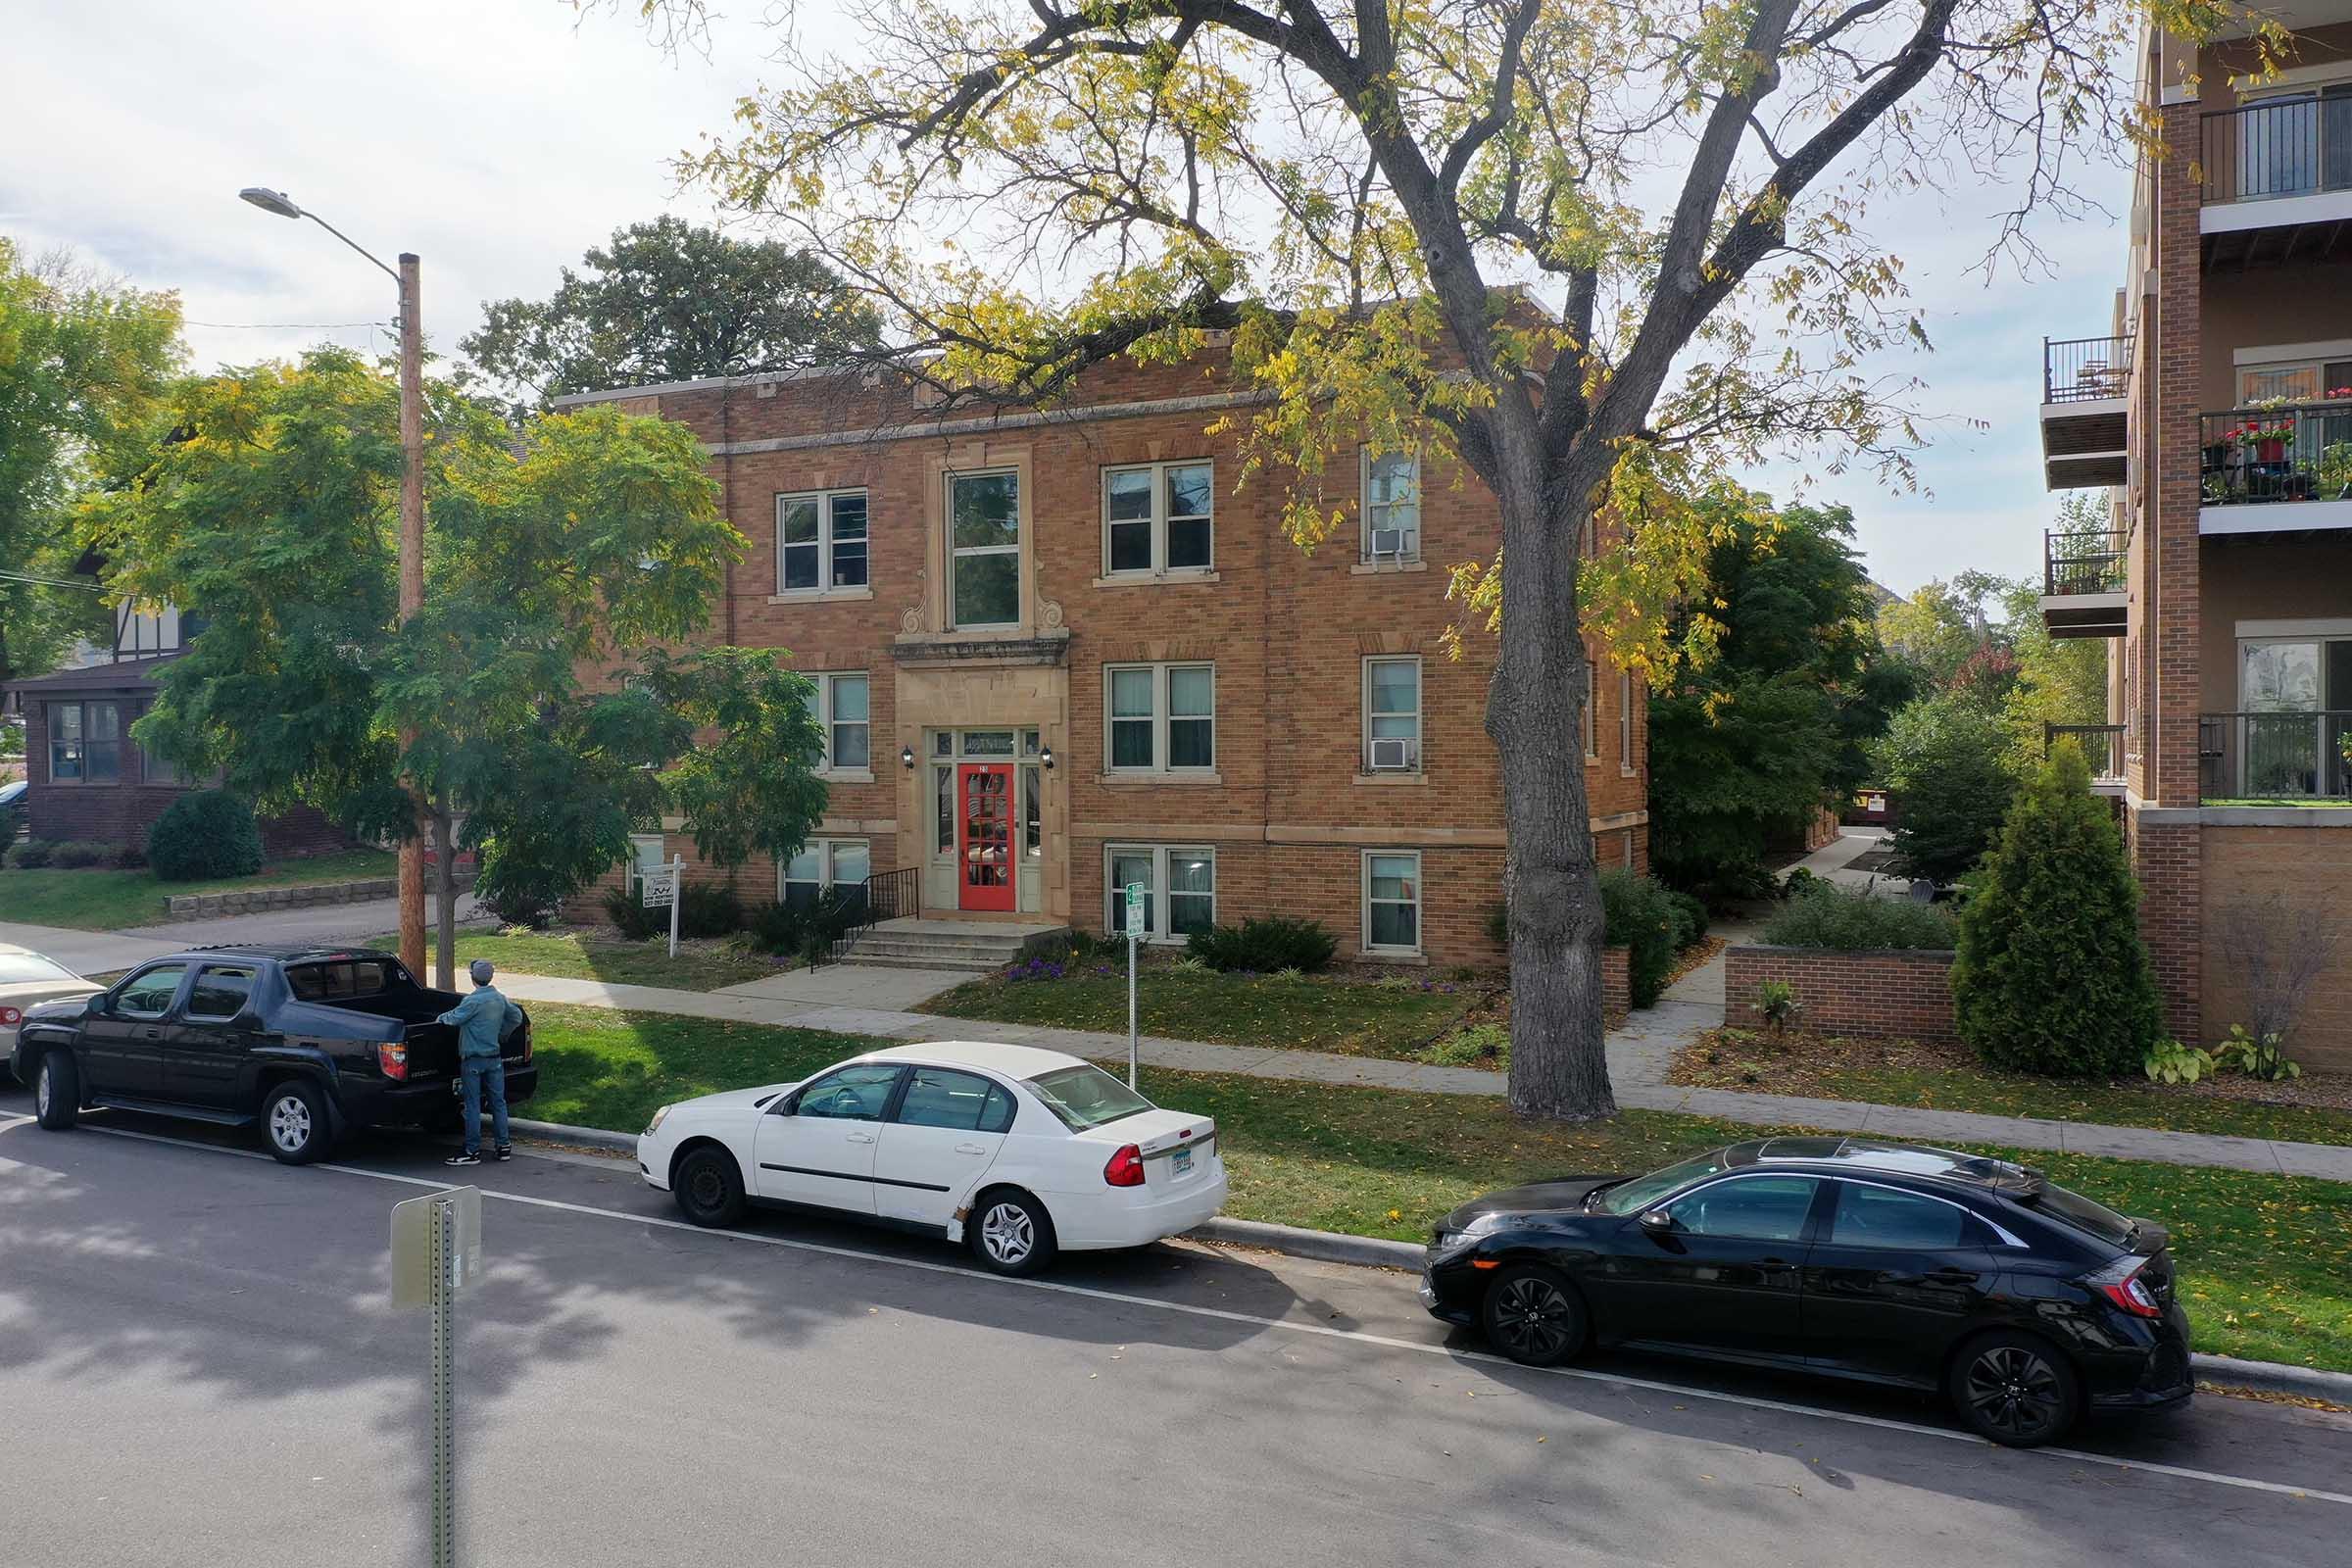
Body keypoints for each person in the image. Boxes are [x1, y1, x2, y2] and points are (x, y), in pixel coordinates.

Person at [441, 958, 522, 1166]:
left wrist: (440, 1018)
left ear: (472, 977)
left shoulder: (472, 1001)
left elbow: (454, 1018)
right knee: (498, 1103)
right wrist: (502, 1035)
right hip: (494, 1059)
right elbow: (516, 1017)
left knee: (472, 1105)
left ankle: (472, 1150)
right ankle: (503, 1146)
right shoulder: (499, 998)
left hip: (473, 1061)